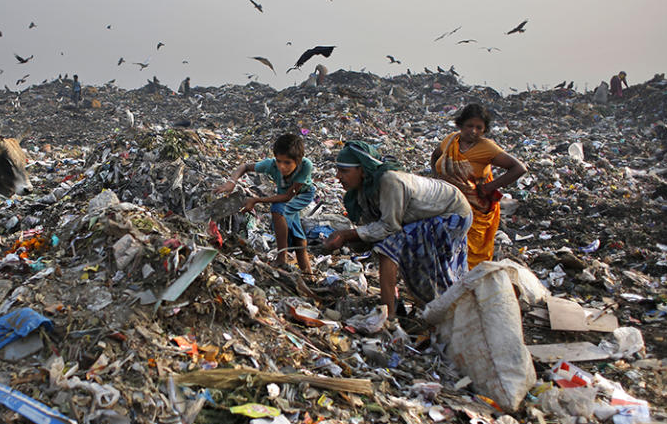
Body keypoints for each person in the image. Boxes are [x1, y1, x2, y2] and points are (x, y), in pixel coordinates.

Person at [323, 141, 472, 317]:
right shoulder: (365, 190)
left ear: (362, 170)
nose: (338, 176)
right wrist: (349, 239)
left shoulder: (389, 180)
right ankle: (421, 307)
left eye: (345, 171)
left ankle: (389, 317)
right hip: (428, 216)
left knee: (388, 250)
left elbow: (388, 226)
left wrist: (346, 235)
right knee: (397, 251)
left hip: (452, 213)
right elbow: (373, 229)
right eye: (338, 170)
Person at [430, 103, 527, 269]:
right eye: (469, 126)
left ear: (484, 130)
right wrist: (436, 177)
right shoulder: (451, 140)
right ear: (460, 125)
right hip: (445, 205)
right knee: (440, 250)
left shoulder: (487, 147)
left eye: (479, 127)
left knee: (469, 256)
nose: (473, 131)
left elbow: (519, 168)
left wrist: (489, 187)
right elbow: (436, 155)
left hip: (473, 210)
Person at [215, 133, 316, 273]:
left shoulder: (305, 166)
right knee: (298, 238)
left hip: (302, 195)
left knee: (278, 209)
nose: (282, 166)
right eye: (279, 161)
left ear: (297, 161)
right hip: (285, 196)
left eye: (287, 163)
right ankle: (308, 273)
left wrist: (256, 200)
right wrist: (231, 183)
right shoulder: (271, 165)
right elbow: (244, 167)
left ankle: (282, 257)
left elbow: (287, 196)